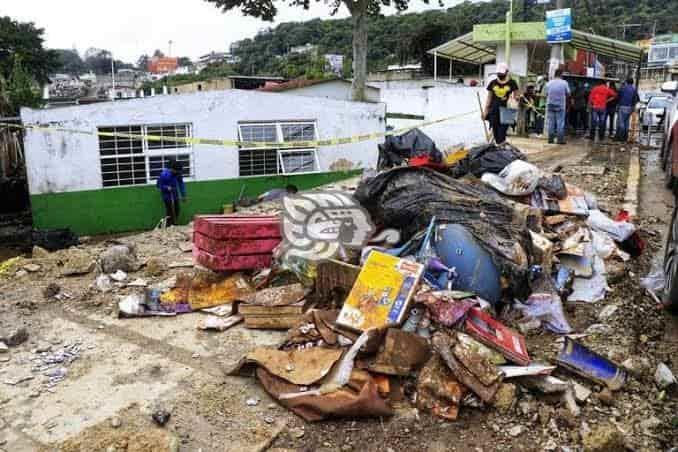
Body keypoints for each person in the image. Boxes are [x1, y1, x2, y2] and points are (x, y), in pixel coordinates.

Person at [483, 63, 519, 145]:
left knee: (501, 133)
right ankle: (500, 150)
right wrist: (485, 111)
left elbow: (517, 96)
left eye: (502, 73)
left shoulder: (512, 83)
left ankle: (501, 150)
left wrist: (515, 98)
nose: (500, 74)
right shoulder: (492, 83)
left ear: (506, 72)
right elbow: (489, 98)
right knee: (496, 134)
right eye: (499, 73)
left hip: (507, 111)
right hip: (494, 110)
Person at [156, 159, 186, 226]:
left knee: (177, 210)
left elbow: (181, 184)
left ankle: (173, 223)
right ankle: (168, 225)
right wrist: (167, 188)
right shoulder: (164, 175)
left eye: (180, 171)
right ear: (173, 169)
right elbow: (158, 186)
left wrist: (183, 195)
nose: (179, 172)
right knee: (170, 212)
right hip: (166, 195)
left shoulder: (178, 174)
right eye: (178, 171)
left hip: (174, 194)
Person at [545, 68, 570, 144]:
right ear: (561, 74)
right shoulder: (564, 83)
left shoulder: (549, 83)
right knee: (560, 122)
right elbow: (568, 93)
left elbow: (546, 93)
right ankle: (560, 140)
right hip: (560, 105)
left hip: (550, 104)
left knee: (551, 122)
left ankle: (550, 139)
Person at [615, 77, 640, 142]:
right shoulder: (634, 90)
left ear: (626, 82)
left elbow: (617, 97)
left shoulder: (622, 88)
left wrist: (617, 105)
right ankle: (625, 137)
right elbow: (637, 99)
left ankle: (620, 137)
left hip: (622, 106)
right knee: (626, 122)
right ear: (632, 82)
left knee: (621, 123)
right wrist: (633, 106)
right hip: (630, 108)